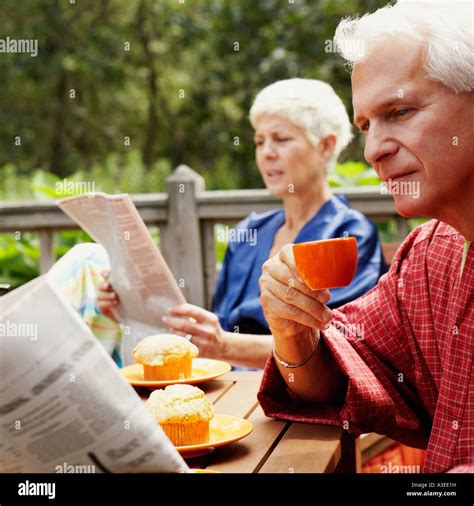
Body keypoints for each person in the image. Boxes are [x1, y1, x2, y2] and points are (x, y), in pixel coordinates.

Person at [257, 1, 473, 473]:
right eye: (366, 126)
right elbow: (347, 369)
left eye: (399, 111)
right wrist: (293, 331)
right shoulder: (429, 254)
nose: (374, 150)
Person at [97, 79, 386, 368]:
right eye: (260, 141)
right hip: (225, 380)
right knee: (88, 263)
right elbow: (218, 328)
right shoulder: (250, 232)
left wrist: (224, 345)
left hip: (294, 395)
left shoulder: (348, 235)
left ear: (325, 147)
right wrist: (130, 307)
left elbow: (339, 345)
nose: (267, 152)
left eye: (281, 139)